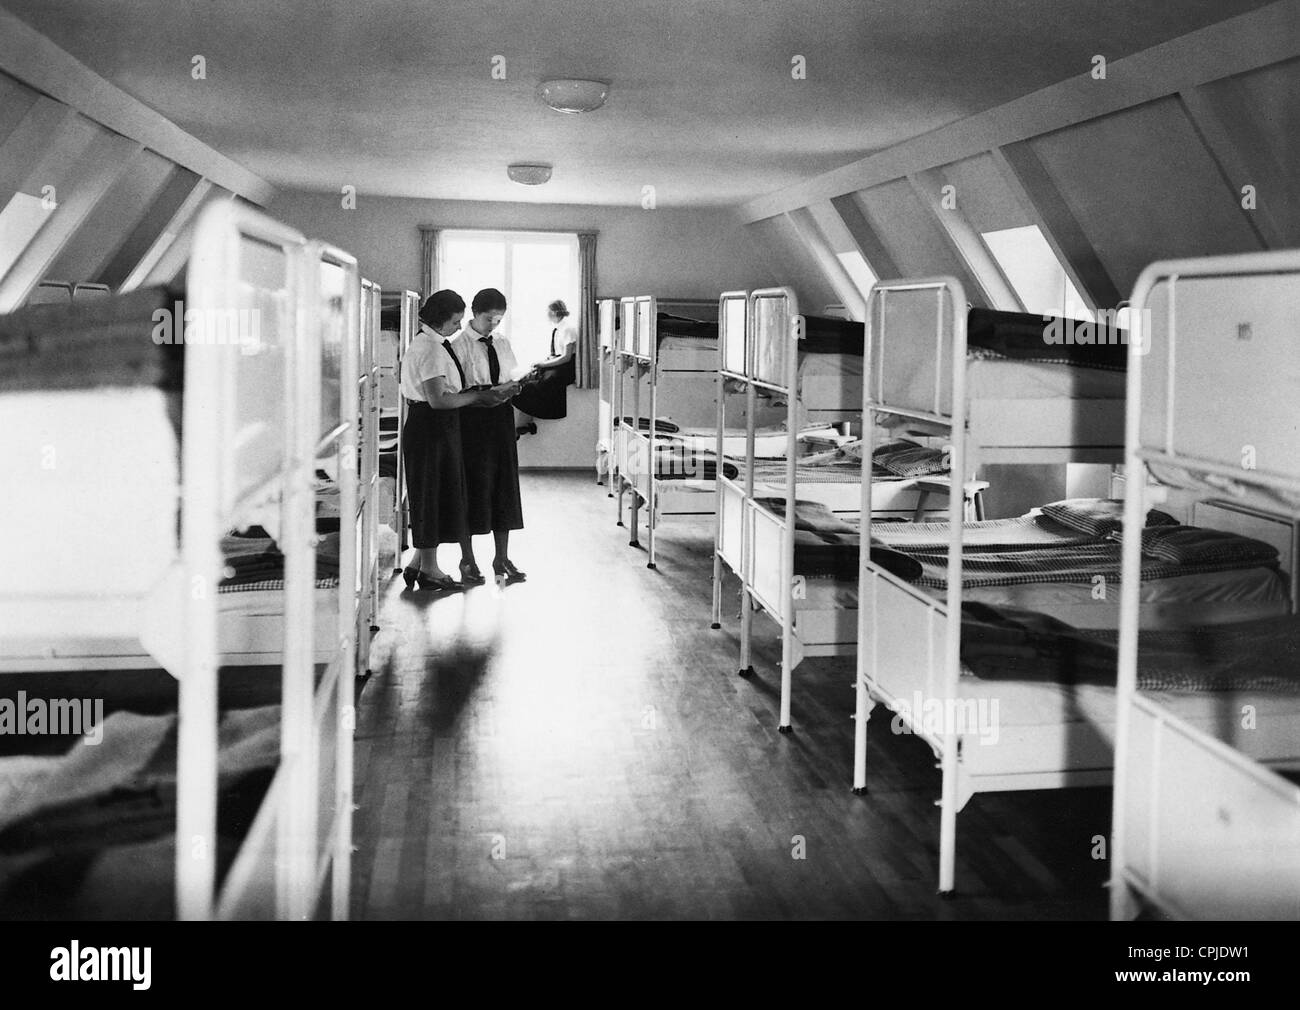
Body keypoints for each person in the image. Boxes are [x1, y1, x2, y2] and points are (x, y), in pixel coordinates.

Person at [399, 289, 514, 592]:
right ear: (439, 320)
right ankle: (429, 570)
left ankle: (419, 563)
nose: (457, 327)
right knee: (430, 496)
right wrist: (479, 396)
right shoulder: (432, 349)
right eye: (454, 322)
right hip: (430, 426)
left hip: (434, 426)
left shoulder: (431, 343)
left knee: (434, 495)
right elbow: (438, 400)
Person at [453, 288, 528, 583]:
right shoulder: (459, 346)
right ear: (475, 313)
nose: (493, 324)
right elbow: (456, 388)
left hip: (500, 416)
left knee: (504, 485)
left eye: (498, 319)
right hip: (472, 418)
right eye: (489, 319)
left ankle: (501, 558)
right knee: (472, 486)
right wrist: (484, 395)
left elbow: (510, 374)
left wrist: (516, 386)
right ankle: (468, 560)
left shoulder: (502, 341)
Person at [513, 299, 577, 423]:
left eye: (548, 312)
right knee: (528, 380)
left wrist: (543, 364)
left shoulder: (567, 329)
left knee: (539, 386)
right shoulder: (559, 328)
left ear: (553, 312)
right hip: (559, 363)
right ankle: (526, 422)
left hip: (566, 366)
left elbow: (566, 357)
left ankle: (527, 422)